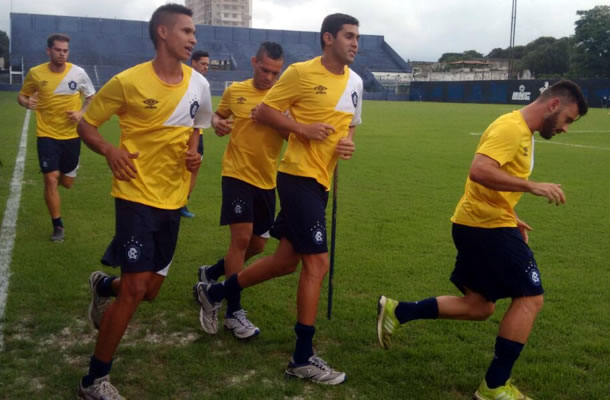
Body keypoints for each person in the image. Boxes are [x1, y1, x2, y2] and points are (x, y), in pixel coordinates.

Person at [377, 79, 588, 400]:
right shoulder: (511, 128)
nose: (566, 128)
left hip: (483, 222)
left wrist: (512, 216)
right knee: (531, 298)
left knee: (479, 306)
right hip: (484, 227)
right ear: (554, 105)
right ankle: (494, 386)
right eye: (568, 120)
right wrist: (531, 186)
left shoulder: (524, 133)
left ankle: (398, 311)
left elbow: (487, 184)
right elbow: (479, 170)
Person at [196, 13, 362, 385]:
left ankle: (216, 290)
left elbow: (348, 129)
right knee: (316, 264)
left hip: (320, 182)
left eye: (357, 37)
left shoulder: (356, 83)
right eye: (349, 36)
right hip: (296, 176)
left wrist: (347, 143)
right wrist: (303, 128)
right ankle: (302, 357)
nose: (355, 43)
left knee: (286, 261)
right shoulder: (301, 73)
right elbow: (266, 110)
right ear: (328, 38)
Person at [75, 4, 212, 398]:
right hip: (135, 194)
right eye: (186, 31)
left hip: (173, 198)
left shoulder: (199, 85)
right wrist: (109, 151)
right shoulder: (127, 82)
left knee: (149, 290)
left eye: (194, 32)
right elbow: (86, 123)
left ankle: (104, 286)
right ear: (163, 33)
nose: (193, 38)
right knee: (136, 290)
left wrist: (194, 156)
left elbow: (196, 132)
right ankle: (94, 380)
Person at [194, 41, 285, 339]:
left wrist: (271, 118)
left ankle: (212, 273)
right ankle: (234, 312)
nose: (269, 77)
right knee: (241, 239)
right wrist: (219, 123)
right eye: (264, 69)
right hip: (236, 174)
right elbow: (217, 115)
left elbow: (291, 133)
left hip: (266, 179)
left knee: (258, 245)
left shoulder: (283, 97)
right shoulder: (236, 91)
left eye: (275, 72)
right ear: (253, 61)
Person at [17, 33, 96, 242]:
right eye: (58, 50)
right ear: (49, 51)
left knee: (66, 182)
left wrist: (81, 113)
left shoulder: (78, 73)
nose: (62, 54)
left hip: (71, 135)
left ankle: (58, 171)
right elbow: (22, 95)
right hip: (46, 135)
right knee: (50, 179)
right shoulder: (36, 73)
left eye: (65, 50)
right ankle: (58, 226)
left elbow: (91, 97)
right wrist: (26, 103)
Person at [181, 50, 211, 218]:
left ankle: (183, 202)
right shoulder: (183, 79)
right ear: (193, 62)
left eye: (207, 64)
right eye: (203, 63)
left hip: (197, 134)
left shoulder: (203, 84)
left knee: (194, 168)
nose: (206, 67)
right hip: (179, 134)